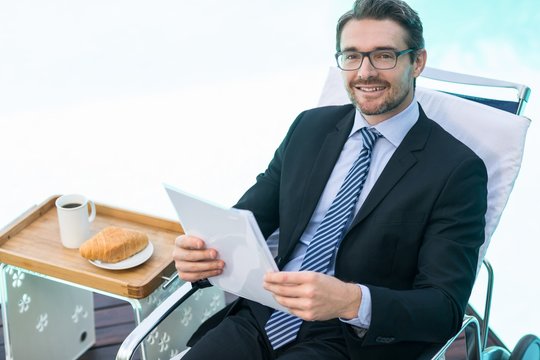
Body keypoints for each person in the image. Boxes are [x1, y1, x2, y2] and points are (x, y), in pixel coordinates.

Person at [173, 0, 488, 359]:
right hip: (263, 314)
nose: (365, 72)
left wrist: (350, 300)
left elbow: (443, 308)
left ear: (417, 62)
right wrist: (203, 254)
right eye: (352, 56)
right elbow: (246, 219)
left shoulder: (457, 170)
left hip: (350, 339)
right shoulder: (309, 128)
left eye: (384, 55)